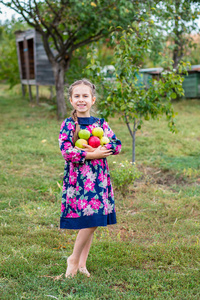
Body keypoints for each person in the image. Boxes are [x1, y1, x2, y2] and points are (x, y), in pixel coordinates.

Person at [58, 79, 121, 278]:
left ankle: (82, 264)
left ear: (93, 100)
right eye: (77, 96)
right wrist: (92, 154)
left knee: (92, 220)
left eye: (85, 96)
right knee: (90, 221)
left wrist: (104, 148)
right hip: (80, 181)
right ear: (71, 100)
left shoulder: (100, 124)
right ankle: (73, 259)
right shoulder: (69, 124)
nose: (81, 100)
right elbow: (66, 151)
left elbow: (117, 145)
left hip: (98, 180)